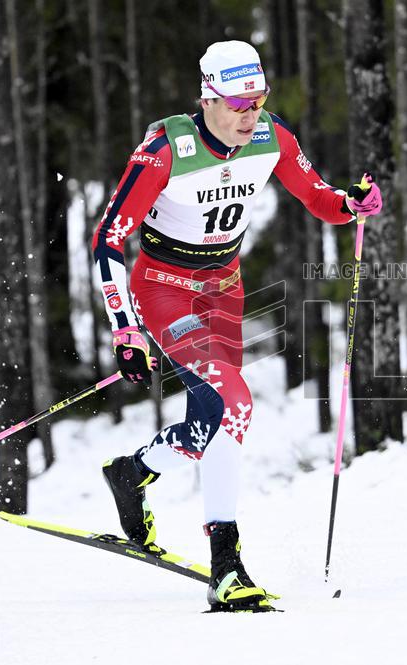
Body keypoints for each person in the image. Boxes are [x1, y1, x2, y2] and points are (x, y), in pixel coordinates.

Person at [90, 40, 383, 612]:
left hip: (223, 291)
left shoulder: (272, 136)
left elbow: (317, 197)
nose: (251, 116)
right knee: (234, 403)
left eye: (258, 101)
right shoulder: (165, 151)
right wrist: (125, 328)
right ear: (207, 99)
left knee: (218, 418)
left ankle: (133, 472)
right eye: (239, 105)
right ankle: (225, 566)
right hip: (164, 291)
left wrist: (350, 203)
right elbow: (108, 238)